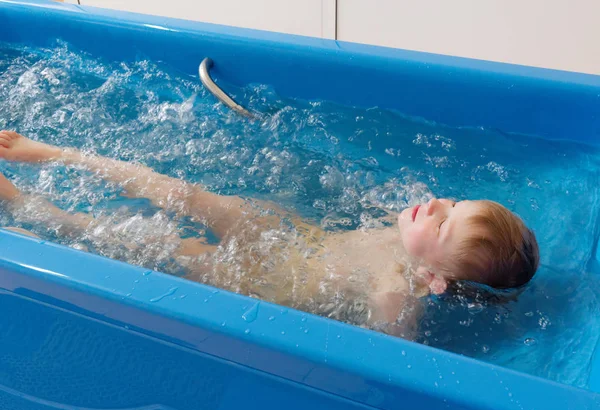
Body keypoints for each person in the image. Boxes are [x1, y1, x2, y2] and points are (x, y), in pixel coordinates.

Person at [0, 130, 539, 335]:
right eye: (454, 202)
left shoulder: (397, 292)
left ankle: (30, 206)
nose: (435, 204)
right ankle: (54, 152)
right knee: (188, 195)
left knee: (150, 239)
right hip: (294, 239)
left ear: (434, 279)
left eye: (443, 222)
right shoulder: (405, 229)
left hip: (262, 282)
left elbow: (389, 357)